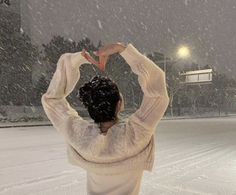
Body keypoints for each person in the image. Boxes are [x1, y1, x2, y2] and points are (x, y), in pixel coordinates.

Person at [41, 42, 169, 195]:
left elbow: (52, 100)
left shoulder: (81, 137)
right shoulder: (135, 135)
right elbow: (157, 91)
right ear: (119, 104)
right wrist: (123, 49)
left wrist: (75, 60)